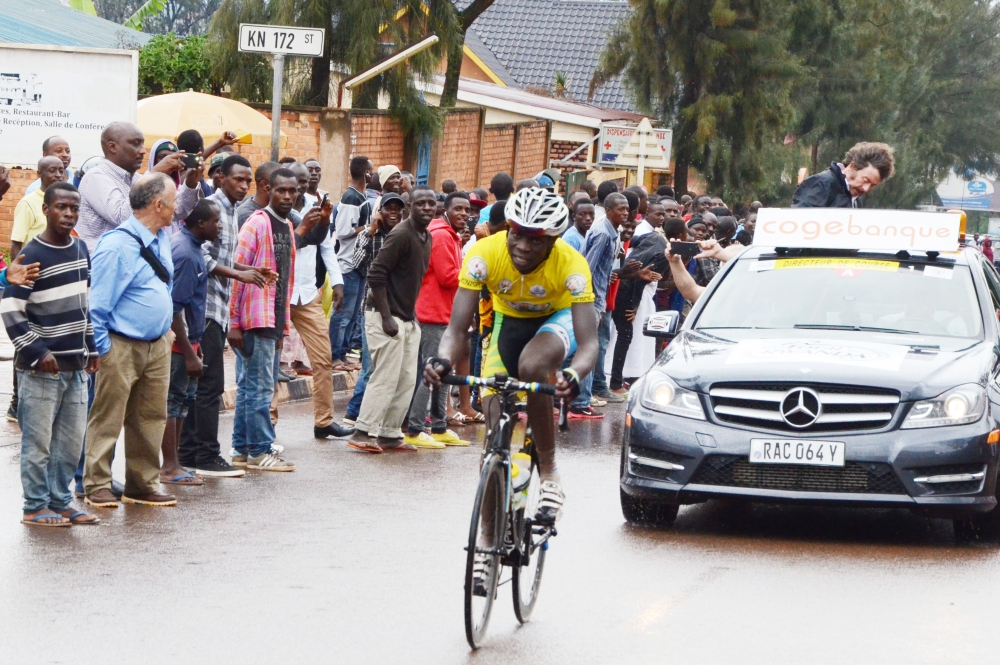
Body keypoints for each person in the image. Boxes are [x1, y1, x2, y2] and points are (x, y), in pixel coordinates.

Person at [424, 187, 599, 526]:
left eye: (536, 241)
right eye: (517, 235)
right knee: (493, 430)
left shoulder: (573, 265)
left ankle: (549, 474)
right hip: (509, 323)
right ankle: (489, 539)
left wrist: (574, 374)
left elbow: (589, 342)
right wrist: (441, 360)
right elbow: (457, 330)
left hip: (555, 320)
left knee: (532, 367)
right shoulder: (484, 254)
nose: (522, 246)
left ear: (552, 241)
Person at [3, 182, 100, 527]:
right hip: (42, 369)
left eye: (74, 208)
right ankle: (34, 506)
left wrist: (91, 348)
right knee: (38, 443)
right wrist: (36, 350)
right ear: (46, 210)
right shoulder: (32, 254)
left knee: (70, 443)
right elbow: (11, 309)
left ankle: (61, 501)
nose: (68, 214)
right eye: (61, 207)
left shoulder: (80, 249)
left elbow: (84, 305)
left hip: (76, 366)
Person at [84, 173, 178, 509]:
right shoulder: (116, 245)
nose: (176, 206)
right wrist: (103, 350)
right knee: (108, 416)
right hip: (120, 344)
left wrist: (165, 331)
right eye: (173, 199)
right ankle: (97, 483)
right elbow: (97, 306)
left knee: (150, 416)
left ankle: (142, 483)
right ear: (158, 204)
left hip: (156, 345)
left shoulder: (162, 237)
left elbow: (164, 285)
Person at [180, 155, 272, 478]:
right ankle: (206, 455)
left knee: (201, 385)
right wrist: (239, 275)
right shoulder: (211, 208)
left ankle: (189, 453)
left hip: (218, 309)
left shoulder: (234, 211)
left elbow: (227, 258)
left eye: (248, 180)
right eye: (238, 179)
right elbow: (201, 258)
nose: (244, 185)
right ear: (220, 177)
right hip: (203, 308)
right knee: (210, 385)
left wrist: (249, 270)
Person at [347, 187, 435, 454]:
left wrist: (412, 318)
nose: (427, 208)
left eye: (431, 203)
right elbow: (376, 275)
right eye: (421, 203)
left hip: (408, 318)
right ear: (410, 207)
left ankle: (389, 433)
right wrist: (387, 317)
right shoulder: (401, 234)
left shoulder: (426, 236)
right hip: (384, 316)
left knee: (406, 378)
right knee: (385, 376)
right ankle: (363, 431)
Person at [228, 169, 299, 472]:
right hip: (254, 319)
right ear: (269, 190)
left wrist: (284, 326)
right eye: (280, 190)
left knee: (251, 387)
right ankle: (259, 450)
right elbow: (237, 273)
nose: (286, 196)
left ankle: (242, 449)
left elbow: (286, 281)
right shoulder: (257, 223)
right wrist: (233, 322)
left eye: (291, 191)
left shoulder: (287, 226)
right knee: (258, 388)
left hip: (273, 318)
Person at [286, 167, 354, 440]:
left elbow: (326, 246)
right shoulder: (276, 211)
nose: (299, 188)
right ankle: (266, 429)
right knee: (268, 363)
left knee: (323, 357)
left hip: (307, 293)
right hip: (279, 293)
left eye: (302, 183)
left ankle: (324, 421)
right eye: (295, 183)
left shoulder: (318, 209)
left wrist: (337, 282)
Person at [160, 200, 221, 488]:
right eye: (216, 222)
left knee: (184, 402)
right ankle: (169, 466)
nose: (219, 226)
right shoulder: (186, 254)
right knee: (172, 403)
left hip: (190, 341)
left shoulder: (194, 248)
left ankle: (176, 463)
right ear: (200, 225)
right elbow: (174, 308)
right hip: (178, 344)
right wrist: (188, 352)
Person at [404, 192, 472, 449]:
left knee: (445, 371)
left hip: (445, 314)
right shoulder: (443, 236)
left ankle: (439, 426)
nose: (464, 214)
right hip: (433, 314)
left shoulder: (450, 235)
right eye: (458, 209)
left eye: (466, 210)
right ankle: (415, 429)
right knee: (432, 372)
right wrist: (474, 273)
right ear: (447, 211)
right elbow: (447, 277)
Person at [76, 122, 196, 252]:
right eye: (135, 143)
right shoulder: (96, 176)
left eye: (142, 144)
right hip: (105, 265)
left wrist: (191, 183)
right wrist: (155, 174)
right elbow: (122, 217)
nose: (143, 151)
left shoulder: (136, 178)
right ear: (112, 147)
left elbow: (175, 212)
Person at [342, 193, 406, 426]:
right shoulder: (371, 236)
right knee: (370, 364)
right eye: (388, 208)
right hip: (372, 308)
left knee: (392, 367)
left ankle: (380, 417)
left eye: (397, 209)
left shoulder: (404, 236)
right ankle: (353, 413)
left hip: (399, 307)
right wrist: (370, 231)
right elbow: (356, 262)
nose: (393, 213)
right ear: (379, 211)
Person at [329, 156, 373, 370]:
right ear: (365, 173)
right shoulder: (351, 198)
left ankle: (344, 354)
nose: (372, 175)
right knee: (343, 313)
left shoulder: (360, 196)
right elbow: (343, 231)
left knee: (353, 313)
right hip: (347, 263)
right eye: (370, 171)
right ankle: (334, 355)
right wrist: (368, 228)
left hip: (359, 264)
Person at [792, 142, 895, 208]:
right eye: (865, 180)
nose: (866, 189)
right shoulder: (822, 184)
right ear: (852, 167)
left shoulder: (856, 202)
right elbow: (798, 224)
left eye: (872, 185)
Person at [12, 156, 65, 260]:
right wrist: (18, 272)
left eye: (61, 171)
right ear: (39, 174)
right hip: (34, 268)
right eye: (52, 171)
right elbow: (16, 244)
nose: (58, 175)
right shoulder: (27, 203)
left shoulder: (64, 202)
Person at [237, 161, 280, 228]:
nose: (287, 196)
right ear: (265, 186)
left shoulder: (279, 209)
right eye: (282, 189)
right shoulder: (246, 215)